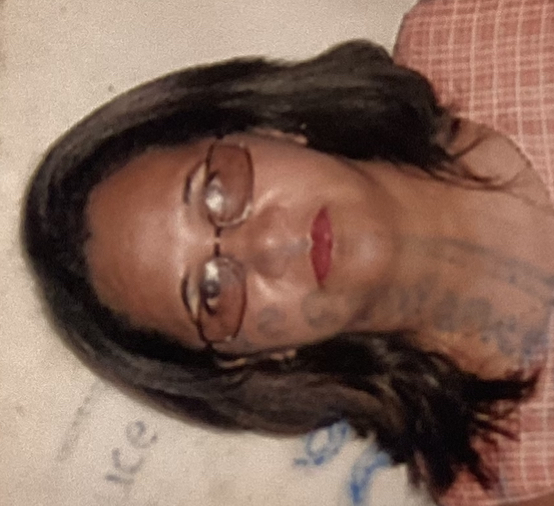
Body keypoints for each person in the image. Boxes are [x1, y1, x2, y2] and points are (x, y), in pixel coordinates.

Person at [22, 39, 554, 505]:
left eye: (217, 191)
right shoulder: (510, 482)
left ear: (267, 129)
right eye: (212, 292)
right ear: (257, 358)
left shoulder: (483, 31)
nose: (268, 246)